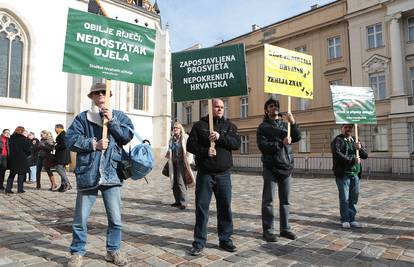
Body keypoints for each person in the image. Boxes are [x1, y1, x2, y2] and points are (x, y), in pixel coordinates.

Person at [66, 83, 133, 267]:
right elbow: (70, 140)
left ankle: (113, 251)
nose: (101, 95)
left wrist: (112, 121)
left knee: (116, 219)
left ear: (109, 95)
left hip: (112, 175)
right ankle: (77, 252)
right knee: (80, 219)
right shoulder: (83, 118)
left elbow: (127, 136)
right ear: (92, 97)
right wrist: (93, 145)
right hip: (89, 174)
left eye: (104, 92)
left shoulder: (119, 116)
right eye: (97, 93)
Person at [187, 98, 241, 256]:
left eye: (222, 107)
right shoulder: (199, 125)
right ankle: (199, 241)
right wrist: (205, 151)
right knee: (202, 209)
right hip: (205, 175)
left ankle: (225, 239)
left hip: (224, 175)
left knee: (225, 208)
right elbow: (190, 145)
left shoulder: (230, 126)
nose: (220, 109)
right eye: (217, 106)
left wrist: (219, 137)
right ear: (210, 108)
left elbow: (236, 143)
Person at [256, 98, 301, 242]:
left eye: (276, 105)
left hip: (286, 167)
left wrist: (293, 123)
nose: (274, 107)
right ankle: (268, 230)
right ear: (266, 110)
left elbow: (297, 137)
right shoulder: (262, 127)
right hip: (270, 167)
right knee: (268, 200)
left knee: (285, 201)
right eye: (271, 106)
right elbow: (263, 146)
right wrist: (280, 143)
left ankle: (285, 229)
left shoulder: (285, 125)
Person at [331, 124, 368, 229]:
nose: (348, 129)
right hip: (343, 175)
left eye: (350, 128)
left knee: (353, 198)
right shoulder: (337, 140)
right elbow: (337, 154)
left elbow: (365, 155)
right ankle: (345, 219)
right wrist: (352, 160)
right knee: (344, 198)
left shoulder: (356, 140)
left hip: (355, 174)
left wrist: (359, 149)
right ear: (342, 129)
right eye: (346, 127)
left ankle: (352, 219)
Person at [165, 122, 195, 210]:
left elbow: (189, 149)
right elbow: (170, 149)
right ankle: (177, 201)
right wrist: (168, 153)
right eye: (174, 128)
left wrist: (189, 159)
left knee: (180, 181)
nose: (175, 129)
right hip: (173, 161)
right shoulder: (172, 139)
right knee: (174, 182)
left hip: (182, 162)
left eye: (177, 128)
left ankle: (183, 202)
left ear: (180, 129)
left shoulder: (185, 137)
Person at [5, 126, 31, 194]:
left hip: (12, 158)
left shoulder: (11, 139)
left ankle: (8, 189)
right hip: (21, 159)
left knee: (12, 174)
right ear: (22, 131)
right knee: (21, 174)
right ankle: (20, 189)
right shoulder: (23, 139)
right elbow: (28, 150)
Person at [54, 124, 72, 192]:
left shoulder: (63, 134)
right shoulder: (61, 134)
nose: (55, 130)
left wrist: (56, 146)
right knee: (62, 170)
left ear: (58, 128)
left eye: (55, 128)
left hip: (63, 155)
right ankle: (63, 185)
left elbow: (64, 144)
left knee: (59, 168)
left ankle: (67, 184)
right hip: (62, 155)